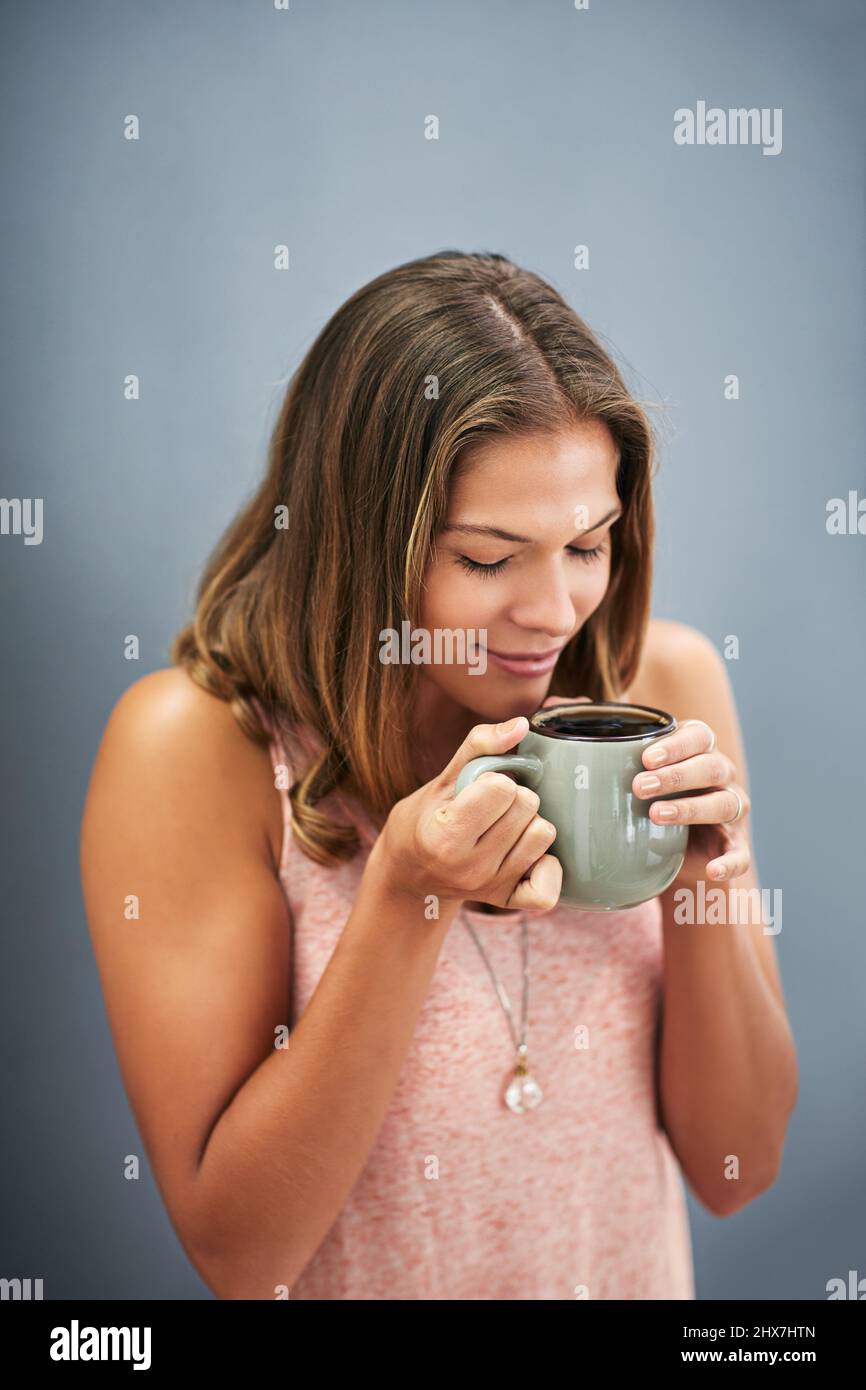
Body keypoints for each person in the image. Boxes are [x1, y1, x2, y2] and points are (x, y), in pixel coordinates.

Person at [80, 250, 798, 1300]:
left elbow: (739, 1169)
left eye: (587, 546)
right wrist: (406, 896)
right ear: (355, 540)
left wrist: (698, 881)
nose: (553, 613)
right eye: (486, 559)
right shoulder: (194, 750)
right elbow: (241, 1255)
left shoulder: (664, 688)